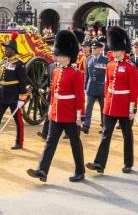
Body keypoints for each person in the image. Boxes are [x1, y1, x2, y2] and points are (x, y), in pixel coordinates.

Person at [27, 30, 85, 183]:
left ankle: (80, 171)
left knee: (75, 142)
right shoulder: (56, 71)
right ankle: (42, 170)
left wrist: (80, 116)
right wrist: (51, 109)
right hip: (57, 112)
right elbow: (53, 93)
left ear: (68, 56)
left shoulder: (76, 73)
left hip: (71, 114)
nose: (57, 57)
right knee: (50, 142)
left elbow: (80, 96)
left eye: (60, 55)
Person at [86, 26, 138, 174]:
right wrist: (106, 104)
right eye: (113, 50)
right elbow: (107, 86)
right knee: (106, 134)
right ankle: (99, 163)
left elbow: (134, 90)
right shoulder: (109, 65)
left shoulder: (131, 67)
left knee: (127, 135)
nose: (114, 53)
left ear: (123, 51)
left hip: (124, 106)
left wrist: (132, 110)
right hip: (111, 105)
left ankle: (128, 163)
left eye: (117, 50)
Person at [83, 40, 109, 134]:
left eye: (95, 48)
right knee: (89, 107)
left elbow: (108, 75)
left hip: (101, 87)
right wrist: (85, 86)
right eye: (92, 48)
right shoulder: (88, 59)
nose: (93, 50)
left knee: (103, 108)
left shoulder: (106, 60)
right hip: (91, 86)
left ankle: (104, 126)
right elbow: (87, 75)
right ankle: (86, 126)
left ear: (100, 49)